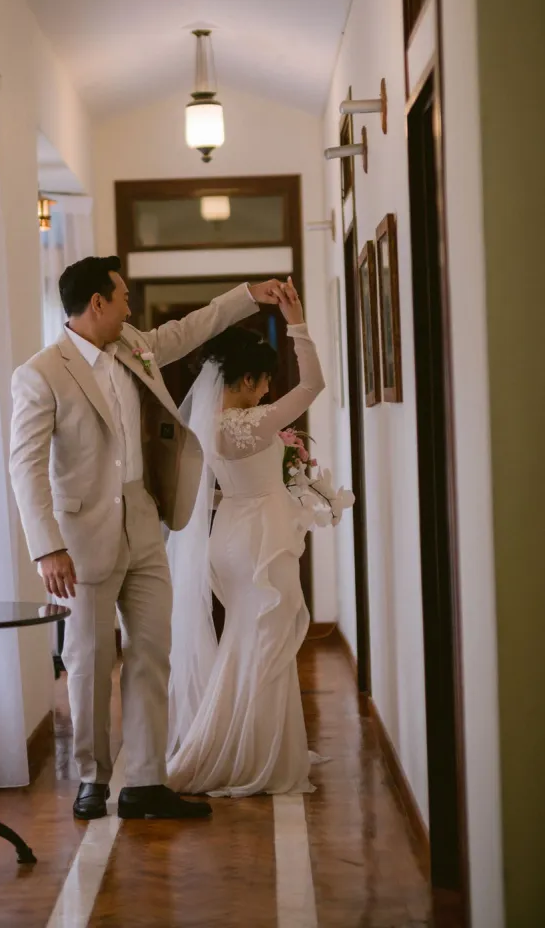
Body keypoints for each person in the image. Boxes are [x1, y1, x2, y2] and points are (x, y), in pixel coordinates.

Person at [9, 255, 285, 820]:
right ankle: (93, 778)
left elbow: (188, 330)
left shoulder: (132, 345)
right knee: (89, 660)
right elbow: (25, 465)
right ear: (97, 303)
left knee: (153, 652)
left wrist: (247, 295)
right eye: (123, 297)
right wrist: (47, 547)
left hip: (144, 519)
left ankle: (145, 781)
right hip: (80, 539)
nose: (130, 307)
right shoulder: (41, 373)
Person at [166, 278, 328, 797]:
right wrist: (296, 323)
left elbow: (211, 493)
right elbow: (313, 385)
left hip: (230, 536)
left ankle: (239, 741)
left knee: (245, 639)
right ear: (248, 378)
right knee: (269, 645)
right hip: (262, 539)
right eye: (263, 382)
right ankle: (253, 755)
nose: (266, 392)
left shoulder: (206, 428)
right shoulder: (250, 423)